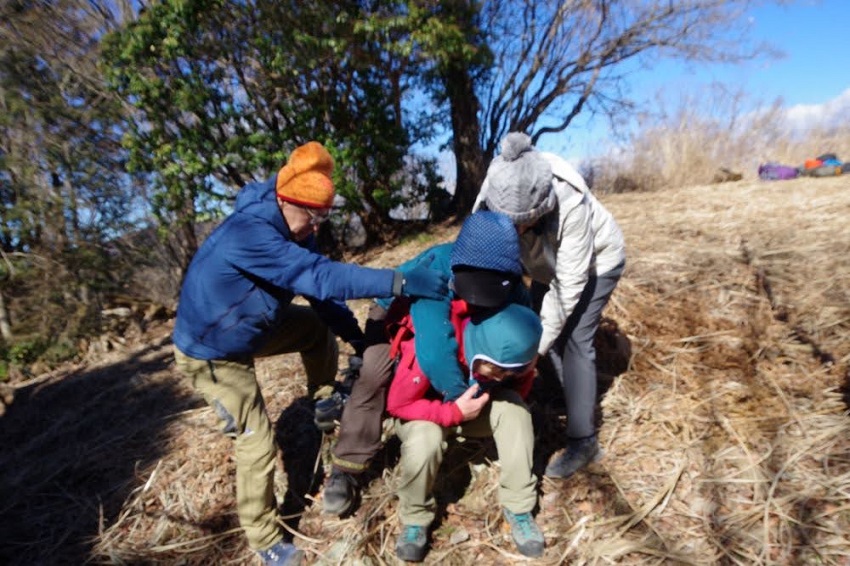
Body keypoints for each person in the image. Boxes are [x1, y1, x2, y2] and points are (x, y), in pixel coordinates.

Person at [171, 141, 448, 566]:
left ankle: (323, 397)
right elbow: (318, 276)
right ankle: (265, 541)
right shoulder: (250, 233)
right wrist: (398, 281)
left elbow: (323, 297)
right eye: (312, 217)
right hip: (212, 352)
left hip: (251, 327)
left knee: (315, 329)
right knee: (256, 444)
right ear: (286, 201)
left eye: (323, 217)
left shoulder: (297, 226)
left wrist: (356, 339)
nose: (315, 227)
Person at [321, 211, 530, 516]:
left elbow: (524, 328)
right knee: (375, 375)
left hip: (458, 312)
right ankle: (347, 467)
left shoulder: (513, 283)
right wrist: (459, 400)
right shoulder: (438, 270)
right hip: (398, 307)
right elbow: (435, 349)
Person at [473, 132, 626, 479]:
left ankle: (584, 441)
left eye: (522, 221)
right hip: (544, 263)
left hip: (595, 264)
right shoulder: (496, 184)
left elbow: (569, 285)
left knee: (574, 339)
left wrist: (534, 350)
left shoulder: (569, 198)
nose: (515, 229)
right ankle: (561, 392)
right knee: (532, 322)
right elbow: (479, 246)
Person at [387, 301, 545, 561]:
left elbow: (517, 388)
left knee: (515, 411)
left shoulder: (510, 361)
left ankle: (519, 507)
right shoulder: (431, 347)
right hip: (422, 414)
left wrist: (515, 378)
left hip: (470, 411)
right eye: (496, 371)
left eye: (509, 372)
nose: (501, 378)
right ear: (480, 354)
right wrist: (452, 413)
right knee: (426, 439)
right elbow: (398, 404)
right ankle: (415, 518)